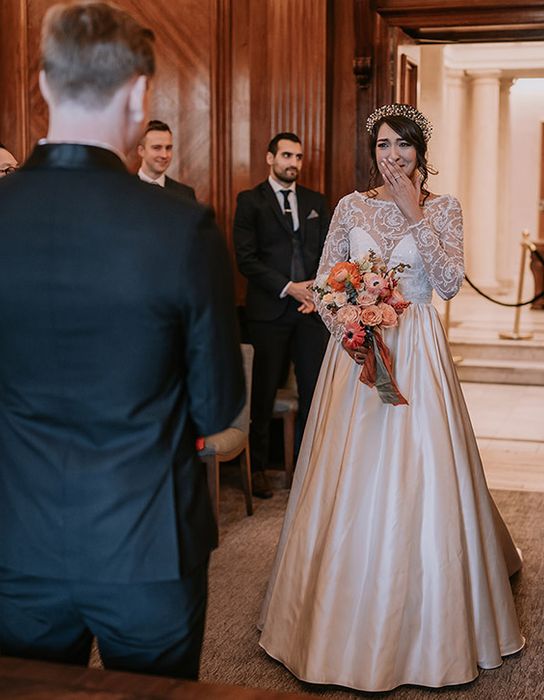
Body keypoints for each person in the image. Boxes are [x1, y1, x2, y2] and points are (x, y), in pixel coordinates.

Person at [0, 2, 243, 680]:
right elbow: (219, 403)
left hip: (16, 542)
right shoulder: (181, 228)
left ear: (44, 86)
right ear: (139, 93)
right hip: (148, 548)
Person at [257, 104, 524, 692]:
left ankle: (432, 626)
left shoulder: (444, 208)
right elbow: (328, 282)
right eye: (383, 145)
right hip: (358, 352)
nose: (393, 156)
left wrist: (414, 216)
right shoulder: (351, 206)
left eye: (403, 145)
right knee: (345, 482)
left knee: (422, 480)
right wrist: (349, 328)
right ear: (372, 150)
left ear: (421, 152)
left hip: (419, 353)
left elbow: (450, 283)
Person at [233, 132, 330, 498]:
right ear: (270, 157)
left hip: (311, 312)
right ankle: (257, 467)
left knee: (313, 392)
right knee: (261, 391)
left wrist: (316, 292)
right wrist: (291, 287)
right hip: (268, 311)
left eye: (299, 156)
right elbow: (246, 259)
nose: (294, 162)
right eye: (287, 155)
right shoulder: (249, 201)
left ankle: (306, 470)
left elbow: (328, 252)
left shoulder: (316, 201)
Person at [137, 119, 196, 200]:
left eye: (168, 148)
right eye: (157, 148)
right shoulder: (124, 190)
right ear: (141, 151)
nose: (164, 155)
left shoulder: (185, 195)